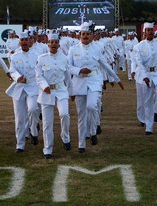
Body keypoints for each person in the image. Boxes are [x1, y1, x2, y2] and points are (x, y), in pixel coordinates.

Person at [68, 21, 120, 149]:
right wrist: (79, 70)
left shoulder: (97, 48)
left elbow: (105, 64)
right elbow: (68, 66)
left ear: (91, 35)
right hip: (79, 83)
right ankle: (81, 145)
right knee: (81, 115)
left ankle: (92, 132)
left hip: (94, 81)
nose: (85, 36)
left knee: (92, 106)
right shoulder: (73, 49)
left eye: (87, 34)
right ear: (80, 35)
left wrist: (116, 79)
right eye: (83, 34)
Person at [36, 31, 72, 159]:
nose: (54, 45)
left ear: (59, 44)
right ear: (48, 43)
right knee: (47, 123)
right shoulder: (41, 58)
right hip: (47, 91)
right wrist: (44, 85)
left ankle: (65, 136)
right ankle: (47, 149)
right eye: (52, 42)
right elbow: (38, 75)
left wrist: (71, 91)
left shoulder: (64, 58)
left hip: (61, 90)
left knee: (64, 114)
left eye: (56, 42)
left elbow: (67, 76)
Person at [5, 30, 40, 152]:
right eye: (22, 40)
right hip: (19, 87)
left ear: (30, 41)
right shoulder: (14, 56)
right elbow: (12, 70)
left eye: (26, 40)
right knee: (19, 117)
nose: (24, 42)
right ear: (19, 42)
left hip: (33, 86)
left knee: (33, 109)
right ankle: (20, 144)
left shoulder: (36, 55)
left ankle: (34, 131)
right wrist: (17, 77)